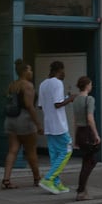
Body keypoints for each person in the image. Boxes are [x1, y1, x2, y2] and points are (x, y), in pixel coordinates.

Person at [1, 61, 43, 189]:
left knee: (13, 150)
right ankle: (37, 178)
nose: (31, 72)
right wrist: (38, 124)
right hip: (24, 119)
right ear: (24, 72)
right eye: (29, 70)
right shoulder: (27, 86)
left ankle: (6, 179)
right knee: (31, 151)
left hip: (10, 119)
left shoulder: (12, 85)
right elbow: (29, 106)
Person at [38, 61, 74, 194]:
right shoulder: (57, 83)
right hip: (59, 125)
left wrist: (64, 99)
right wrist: (70, 98)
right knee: (66, 150)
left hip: (49, 124)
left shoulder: (43, 84)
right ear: (60, 70)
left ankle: (56, 183)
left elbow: (41, 106)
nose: (64, 74)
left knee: (54, 155)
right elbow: (58, 104)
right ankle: (48, 179)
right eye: (63, 71)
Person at [69, 75, 100, 200]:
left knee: (86, 160)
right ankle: (81, 190)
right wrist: (96, 134)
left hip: (80, 132)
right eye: (90, 84)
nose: (91, 86)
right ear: (87, 86)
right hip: (87, 131)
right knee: (90, 161)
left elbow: (75, 120)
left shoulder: (76, 100)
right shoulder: (89, 99)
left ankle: (82, 189)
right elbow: (90, 118)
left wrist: (75, 137)